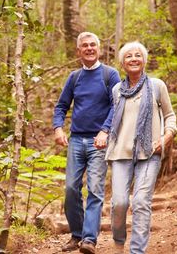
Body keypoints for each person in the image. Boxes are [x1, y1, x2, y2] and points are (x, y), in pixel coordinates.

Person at [105, 41, 177, 254]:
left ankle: (137, 251)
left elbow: (170, 115)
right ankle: (118, 243)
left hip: (149, 153)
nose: (134, 59)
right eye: (129, 56)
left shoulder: (157, 86)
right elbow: (115, 120)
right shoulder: (117, 89)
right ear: (122, 63)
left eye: (138, 55)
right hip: (120, 153)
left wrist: (167, 135)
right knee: (119, 202)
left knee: (141, 202)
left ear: (144, 60)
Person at [53, 32, 121, 254]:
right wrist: (57, 128)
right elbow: (61, 106)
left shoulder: (110, 75)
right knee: (71, 189)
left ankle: (89, 240)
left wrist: (105, 130)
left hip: (98, 142)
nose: (89, 48)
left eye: (93, 45)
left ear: (99, 49)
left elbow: (117, 105)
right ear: (78, 51)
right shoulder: (74, 77)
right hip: (76, 140)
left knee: (95, 189)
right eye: (85, 46)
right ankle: (77, 235)